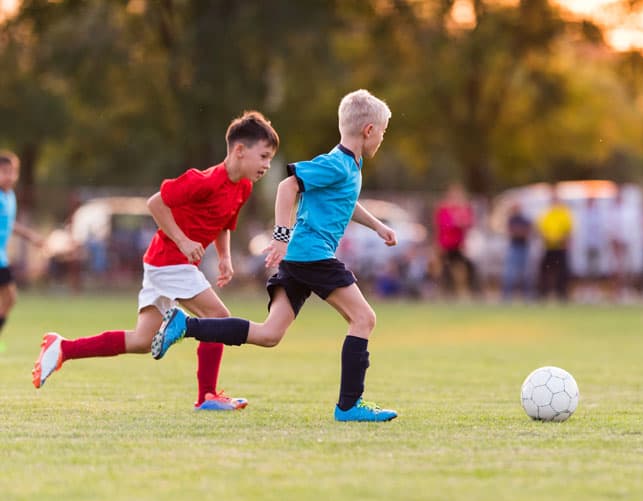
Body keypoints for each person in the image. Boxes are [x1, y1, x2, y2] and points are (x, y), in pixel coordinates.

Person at [150, 89, 398, 422]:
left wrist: (378, 226)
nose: (381, 138)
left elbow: (345, 201)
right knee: (364, 319)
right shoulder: (337, 163)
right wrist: (281, 235)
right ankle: (349, 406)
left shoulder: (349, 168)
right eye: (382, 131)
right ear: (369, 130)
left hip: (301, 258)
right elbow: (287, 187)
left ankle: (186, 325)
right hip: (312, 255)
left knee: (269, 335)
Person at [32, 111, 279, 412]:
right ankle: (207, 396)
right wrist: (183, 241)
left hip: (165, 264)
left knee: (140, 340)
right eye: (264, 156)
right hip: (169, 260)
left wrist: (225, 257)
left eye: (270, 158)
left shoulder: (243, 187)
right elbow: (156, 203)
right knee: (218, 318)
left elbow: (225, 222)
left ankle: (63, 349)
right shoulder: (203, 181)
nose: (267, 164)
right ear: (240, 150)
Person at [0, 151, 44, 348]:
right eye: (4, 171)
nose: (9, 176)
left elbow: (9, 224)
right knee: (9, 297)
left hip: (1, 257)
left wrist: (31, 236)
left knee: (9, 298)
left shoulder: (9, 196)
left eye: (12, 172)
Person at [434, 183, 478, 297]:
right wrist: (456, 222)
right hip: (446, 244)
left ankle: (462, 292)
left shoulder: (464, 208)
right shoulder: (444, 208)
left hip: (458, 244)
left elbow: (469, 223)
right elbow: (443, 225)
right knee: (442, 270)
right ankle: (441, 293)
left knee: (461, 269)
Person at [536, 187, 573, 300]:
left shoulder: (564, 213)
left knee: (562, 272)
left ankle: (561, 293)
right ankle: (544, 293)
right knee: (545, 271)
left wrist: (565, 240)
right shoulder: (547, 213)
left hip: (561, 246)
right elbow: (541, 228)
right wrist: (546, 238)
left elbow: (569, 229)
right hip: (549, 246)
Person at [501, 201, 533, 301]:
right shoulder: (512, 219)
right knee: (510, 273)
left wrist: (518, 232)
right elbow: (511, 232)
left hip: (523, 247)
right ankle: (507, 296)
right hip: (514, 247)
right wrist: (519, 232)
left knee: (525, 273)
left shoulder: (524, 219)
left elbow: (527, 232)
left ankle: (527, 296)